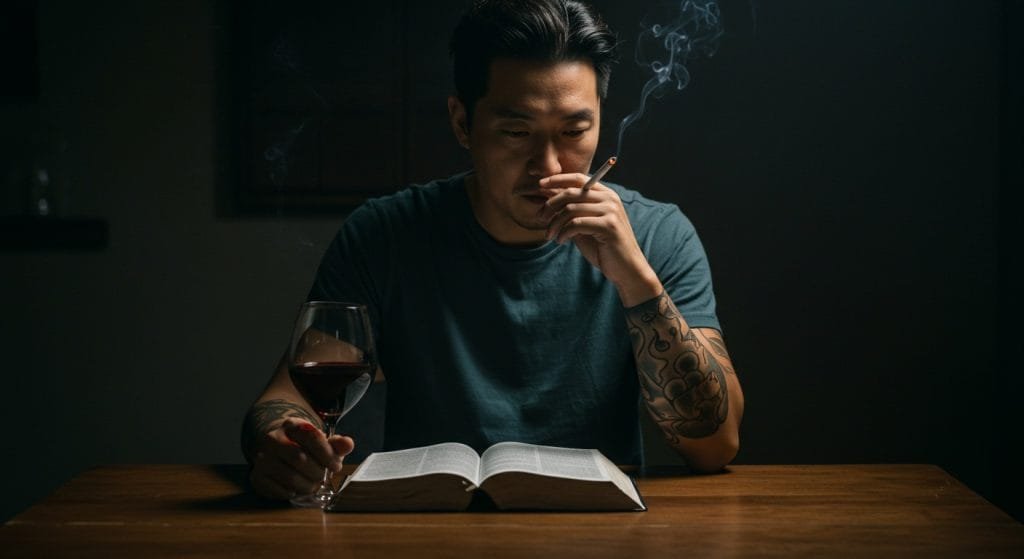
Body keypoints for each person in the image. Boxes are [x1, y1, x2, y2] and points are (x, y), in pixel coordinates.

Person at [242, 0, 744, 501]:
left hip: (600, 528)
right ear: (463, 123)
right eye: (515, 132)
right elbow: (290, 398)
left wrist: (636, 279)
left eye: (574, 131)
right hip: (423, 527)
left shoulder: (659, 235)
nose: (547, 166)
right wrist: (284, 442)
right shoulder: (386, 234)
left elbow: (714, 446)